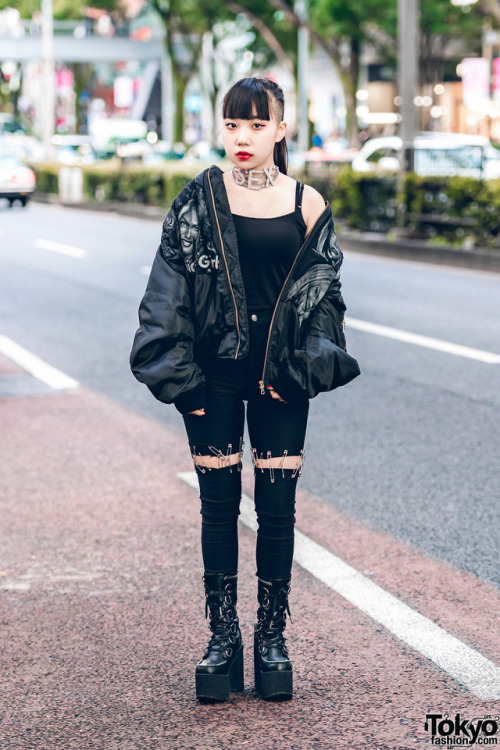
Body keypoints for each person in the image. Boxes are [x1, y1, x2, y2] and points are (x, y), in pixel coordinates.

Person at [130, 76, 360, 703]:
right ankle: (222, 640)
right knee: (218, 507)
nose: (243, 137)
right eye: (233, 124)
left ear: (282, 129)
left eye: (258, 124)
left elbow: (325, 304)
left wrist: (303, 370)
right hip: (214, 378)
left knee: (278, 513)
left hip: (283, 381)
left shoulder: (307, 204)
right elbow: (165, 293)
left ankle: (272, 642)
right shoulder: (197, 200)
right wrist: (182, 382)